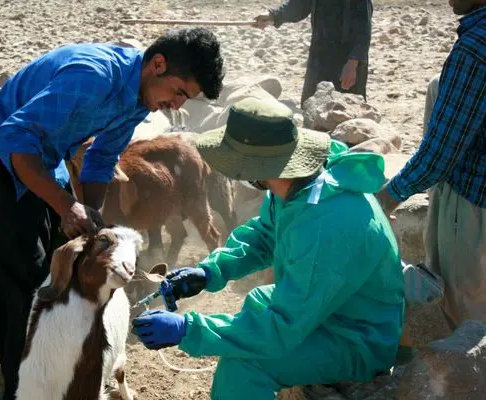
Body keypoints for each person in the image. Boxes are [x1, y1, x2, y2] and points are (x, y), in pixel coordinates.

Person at [0, 27, 224, 399]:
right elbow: (14, 140)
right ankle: (23, 389)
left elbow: (101, 158)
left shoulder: (139, 99)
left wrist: (92, 216)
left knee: (64, 271)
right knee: (25, 291)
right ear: (158, 65)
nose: (177, 106)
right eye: (179, 92)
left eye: (186, 99)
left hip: (43, 161)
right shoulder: (93, 77)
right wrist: (66, 205)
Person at [132, 97, 404, 399]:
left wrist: (188, 329)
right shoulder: (302, 185)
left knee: (243, 370)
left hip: (355, 337)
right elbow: (265, 235)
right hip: (323, 308)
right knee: (247, 336)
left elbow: (282, 326)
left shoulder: (325, 223)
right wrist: (209, 271)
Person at [377, 0, 485, 330]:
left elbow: (439, 154)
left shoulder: (475, 47)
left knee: (469, 322)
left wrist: (387, 197)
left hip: (473, 201)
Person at [253, 0, 373, 105]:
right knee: (311, 107)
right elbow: (299, 6)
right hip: (319, 55)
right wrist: (273, 16)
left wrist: (353, 63)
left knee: (345, 112)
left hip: (346, 60)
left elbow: (363, 27)